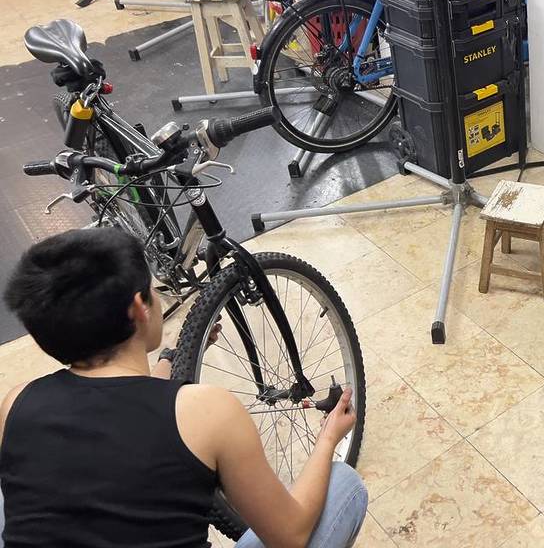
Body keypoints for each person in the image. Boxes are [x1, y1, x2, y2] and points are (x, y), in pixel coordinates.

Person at [0, 228, 367, 547]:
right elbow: (291, 537)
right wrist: (328, 440)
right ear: (139, 308)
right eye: (153, 289)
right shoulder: (210, 412)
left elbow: (120, 419)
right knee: (343, 486)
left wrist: (168, 359)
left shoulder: (17, 403)